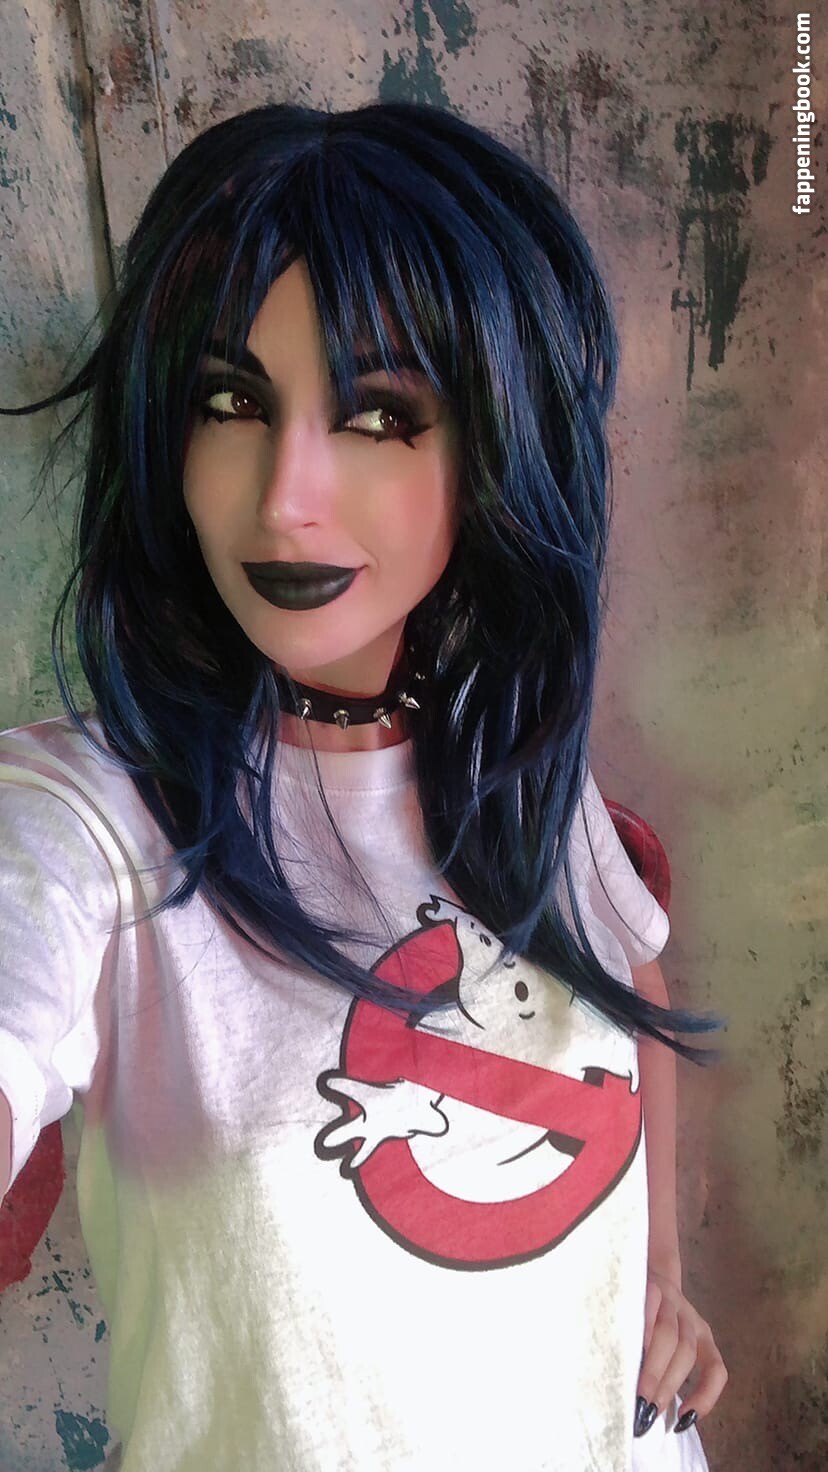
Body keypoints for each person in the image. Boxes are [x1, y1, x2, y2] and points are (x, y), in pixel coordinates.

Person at [0, 100, 728, 1471]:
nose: (286, 496)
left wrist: (655, 1277)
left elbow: (633, 979)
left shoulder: (517, 763)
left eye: (382, 414)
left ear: (492, 448)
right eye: (230, 403)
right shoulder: (84, 821)